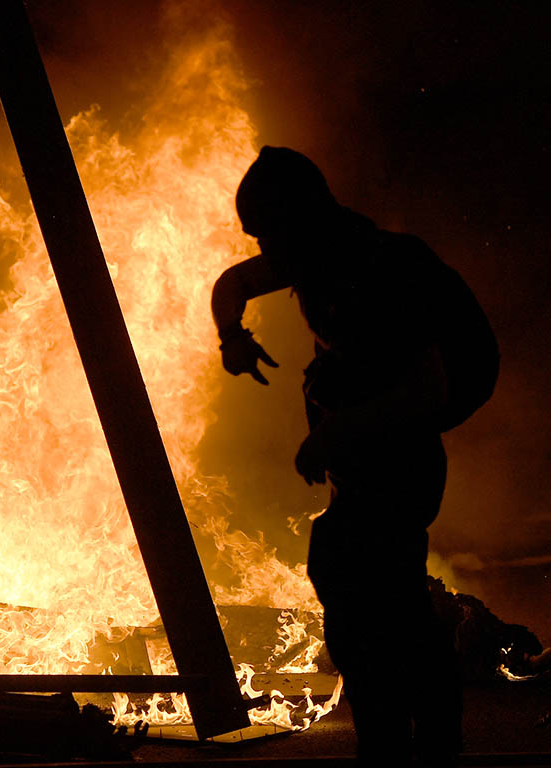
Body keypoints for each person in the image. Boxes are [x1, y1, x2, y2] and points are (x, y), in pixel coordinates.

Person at [211, 147, 495, 766]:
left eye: (267, 232)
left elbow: (426, 389)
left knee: (383, 611)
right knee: (359, 598)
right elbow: (234, 283)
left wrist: (332, 435)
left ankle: (420, 748)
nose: (263, 249)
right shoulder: (317, 254)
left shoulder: (377, 273)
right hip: (363, 460)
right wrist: (232, 335)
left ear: (299, 218)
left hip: (400, 461)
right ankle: (396, 746)